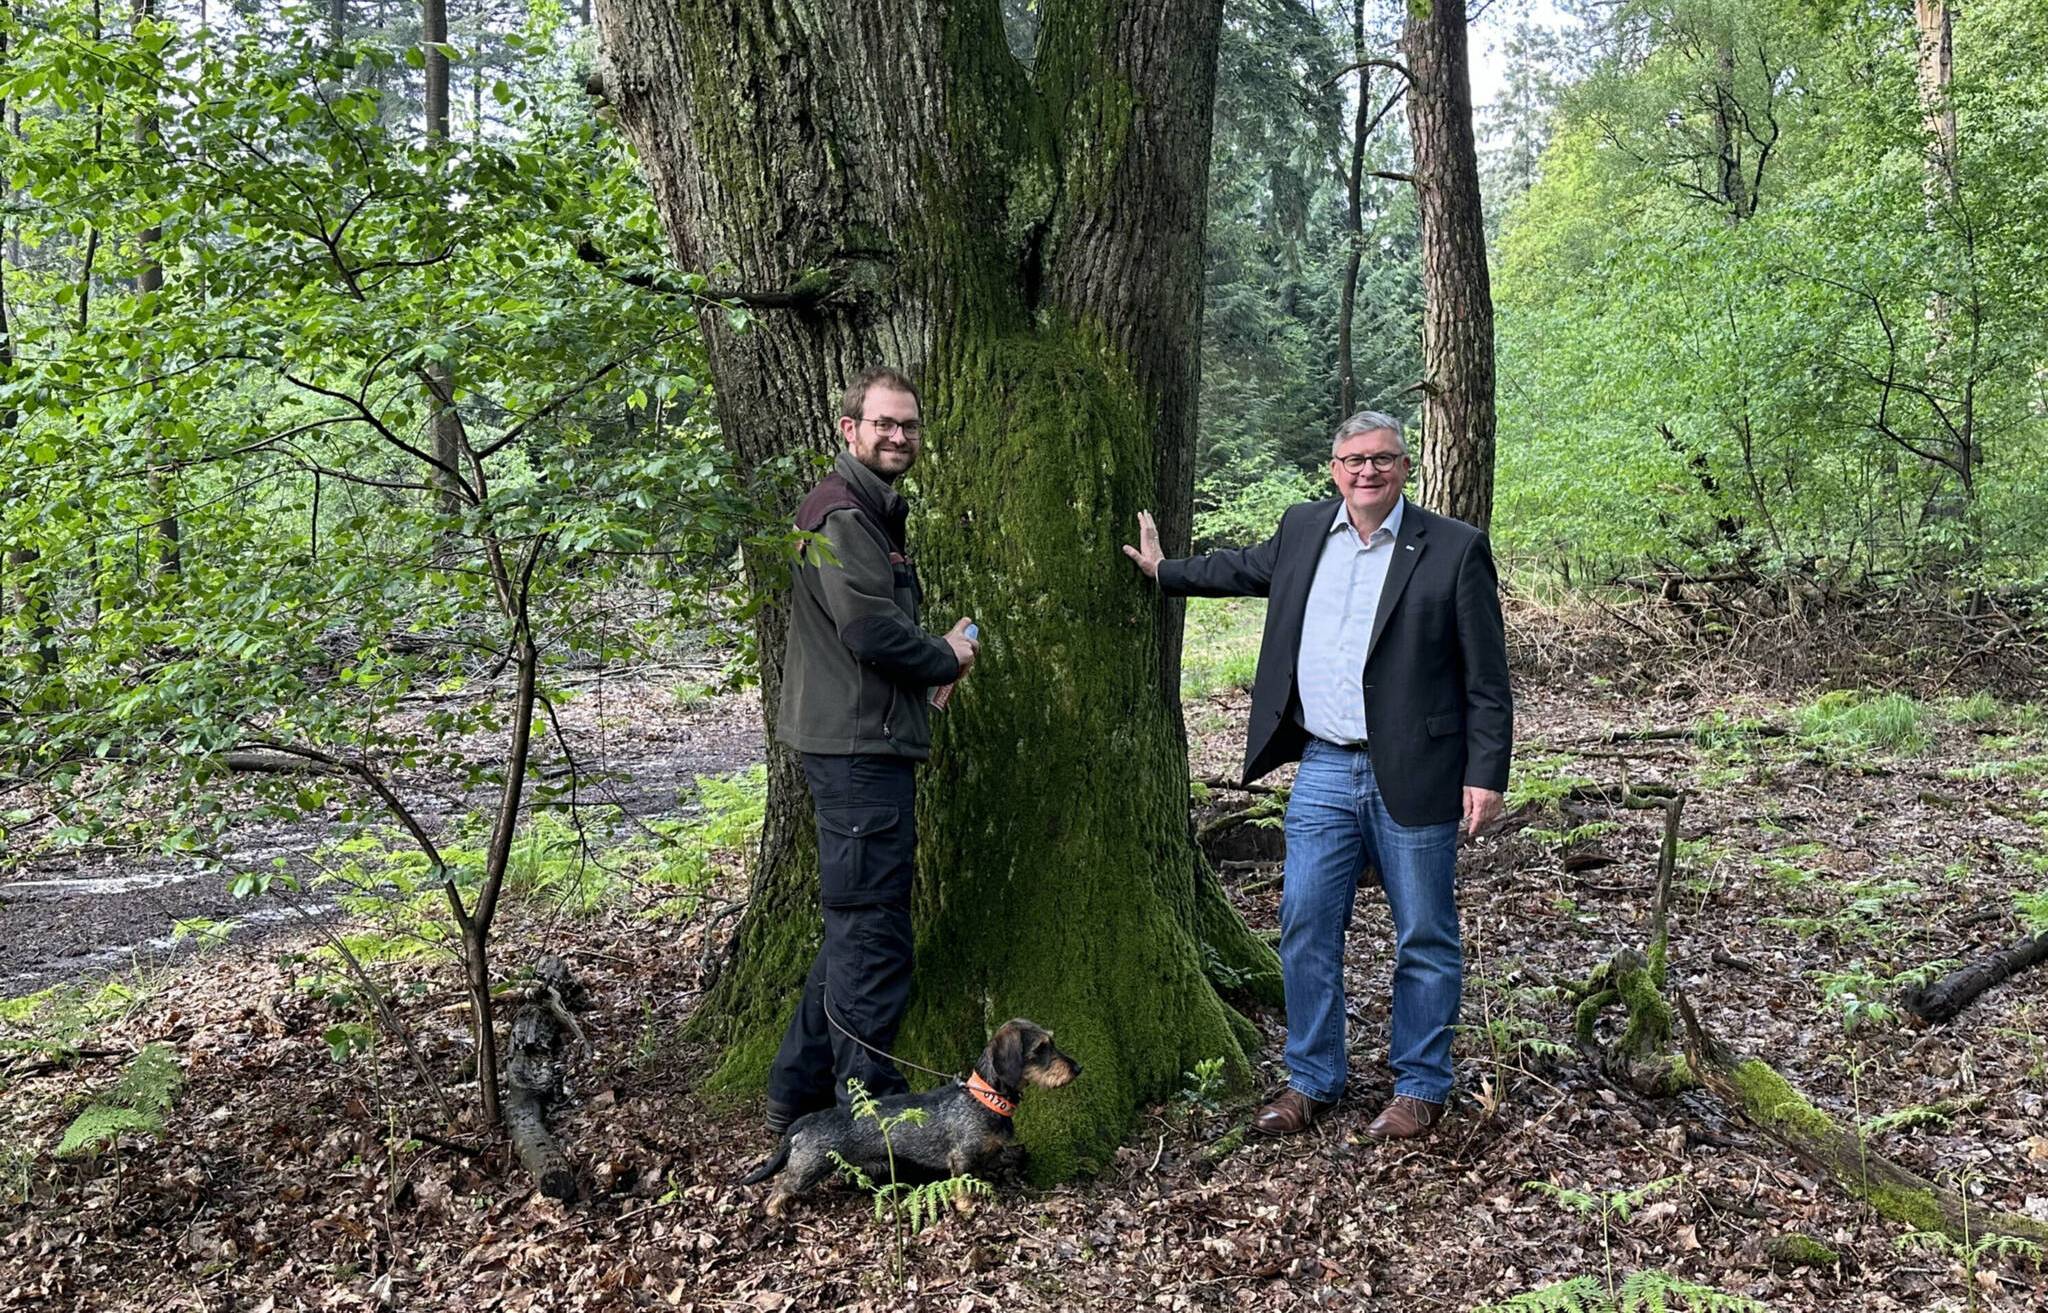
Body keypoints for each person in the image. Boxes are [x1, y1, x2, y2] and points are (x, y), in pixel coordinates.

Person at [1123, 411, 1511, 1139]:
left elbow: (1488, 679)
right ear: (1334, 468)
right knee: (1304, 922)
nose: (1369, 471)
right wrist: (1162, 572)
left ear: (1405, 467)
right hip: (1325, 766)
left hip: (1420, 768)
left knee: (1424, 930)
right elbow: (1239, 567)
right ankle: (1312, 1078)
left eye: (1384, 459)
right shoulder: (1305, 529)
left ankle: (1421, 1084)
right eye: (1354, 460)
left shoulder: (1453, 549)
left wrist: (1486, 773)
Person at [766, 365, 980, 1134]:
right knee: (876, 940)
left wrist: (933, 658)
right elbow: (866, 629)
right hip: (858, 751)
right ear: (849, 429)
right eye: (883, 423)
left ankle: (794, 1091)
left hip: (866, 743)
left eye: (909, 425)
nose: (898, 436)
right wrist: (943, 657)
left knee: (858, 924)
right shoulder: (842, 515)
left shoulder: (868, 509)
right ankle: (871, 1117)